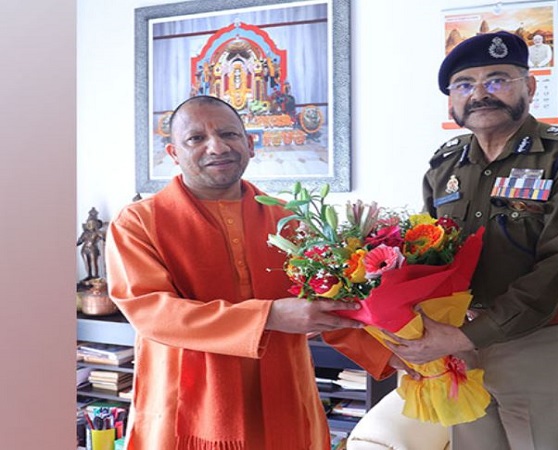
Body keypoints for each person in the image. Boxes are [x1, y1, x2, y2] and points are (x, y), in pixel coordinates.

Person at [105, 95, 400, 450]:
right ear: (173, 153)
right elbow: (151, 313)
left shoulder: (289, 220)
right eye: (196, 138)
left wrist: (398, 354)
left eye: (229, 134)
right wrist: (269, 317)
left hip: (282, 394)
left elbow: (330, 304)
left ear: (249, 144)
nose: (217, 146)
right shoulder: (138, 222)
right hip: (184, 406)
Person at [384, 31, 558, 449]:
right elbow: (430, 257)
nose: (481, 94)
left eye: (497, 79)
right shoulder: (445, 164)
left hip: (543, 342)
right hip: (462, 343)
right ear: (452, 101)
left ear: (529, 86)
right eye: (465, 85)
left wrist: (462, 337)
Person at [77, 207, 107, 281]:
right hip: (84, 249)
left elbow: (104, 239)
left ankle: (95, 276)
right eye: (89, 223)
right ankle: (89, 275)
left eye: (93, 223)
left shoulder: (97, 232)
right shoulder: (85, 233)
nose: (91, 225)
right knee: (87, 263)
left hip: (92, 248)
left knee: (94, 263)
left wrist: (102, 236)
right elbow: (80, 241)